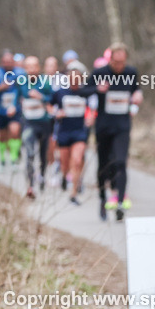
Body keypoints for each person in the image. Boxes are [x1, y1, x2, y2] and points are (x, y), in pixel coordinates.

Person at [89, 43, 142, 221]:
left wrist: (138, 96)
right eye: (116, 62)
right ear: (109, 59)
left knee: (120, 162)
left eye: (122, 62)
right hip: (104, 126)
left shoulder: (131, 73)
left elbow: (136, 91)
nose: (119, 66)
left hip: (122, 126)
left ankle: (120, 203)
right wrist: (97, 89)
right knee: (104, 165)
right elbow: (83, 90)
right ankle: (102, 200)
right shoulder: (99, 73)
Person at [51, 61, 96, 205]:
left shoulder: (86, 93)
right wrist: (56, 113)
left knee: (76, 161)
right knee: (65, 164)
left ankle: (73, 193)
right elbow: (49, 106)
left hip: (79, 131)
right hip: (64, 131)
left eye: (77, 79)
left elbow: (92, 108)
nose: (74, 81)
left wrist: (90, 117)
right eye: (72, 78)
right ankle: (64, 177)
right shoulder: (60, 92)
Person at [20, 56, 55, 198]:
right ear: (25, 68)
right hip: (28, 124)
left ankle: (42, 175)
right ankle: (30, 186)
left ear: (38, 68)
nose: (31, 70)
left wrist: (40, 97)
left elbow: (52, 99)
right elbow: (17, 97)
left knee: (42, 154)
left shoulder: (45, 82)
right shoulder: (21, 82)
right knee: (29, 154)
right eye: (28, 67)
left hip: (44, 123)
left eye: (34, 67)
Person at [0, 50, 25, 167]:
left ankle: (14, 158)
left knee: (14, 131)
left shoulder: (20, 73)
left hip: (15, 109)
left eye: (10, 62)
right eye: (5, 62)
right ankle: (2, 158)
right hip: (0, 110)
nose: (7, 64)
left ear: (13, 62)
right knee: (2, 136)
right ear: (1, 62)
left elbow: (25, 88)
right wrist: (1, 87)